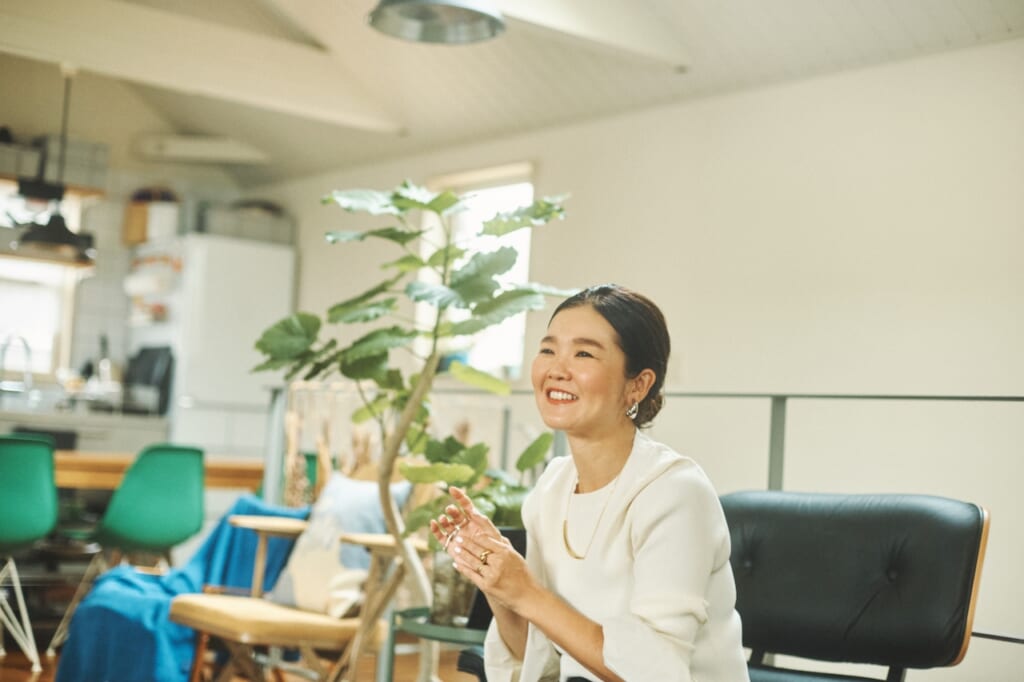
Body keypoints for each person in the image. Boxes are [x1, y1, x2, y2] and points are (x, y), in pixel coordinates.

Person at [430, 284, 749, 682]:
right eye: (548, 350)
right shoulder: (552, 488)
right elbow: (539, 659)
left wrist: (527, 591)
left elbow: (658, 672)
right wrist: (499, 586)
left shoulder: (674, 492)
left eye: (583, 354)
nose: (556, 370)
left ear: (638, 385)